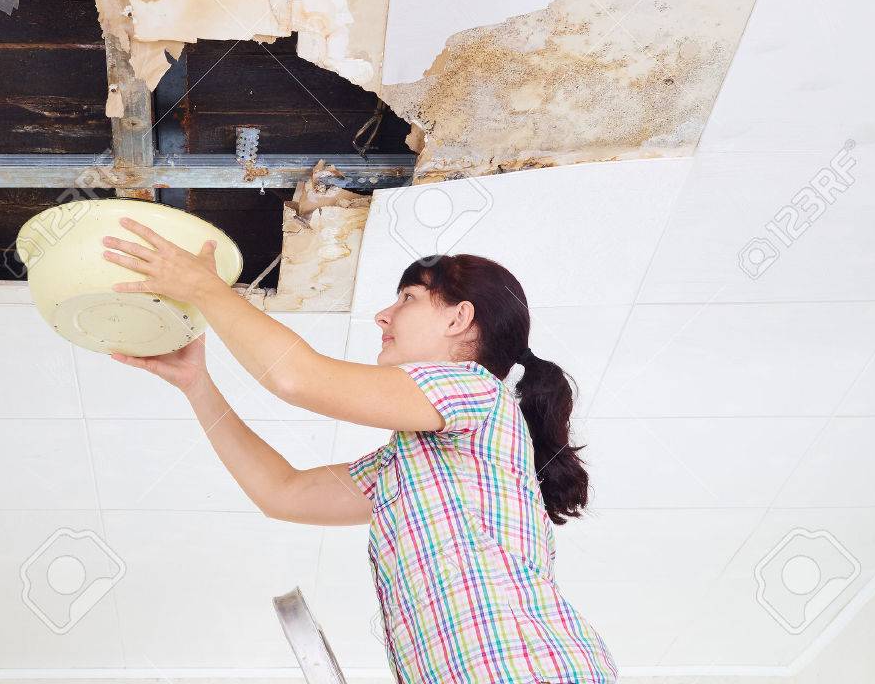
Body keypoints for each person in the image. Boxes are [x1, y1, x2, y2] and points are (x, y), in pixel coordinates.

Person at [102, 217, 618, 684]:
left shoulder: (477, 390)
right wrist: (197, 385)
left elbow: (298, 378)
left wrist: (205, 288)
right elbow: (282, 492)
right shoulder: (406, 465)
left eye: (408, 298)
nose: (383, 315)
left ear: (459, 318)